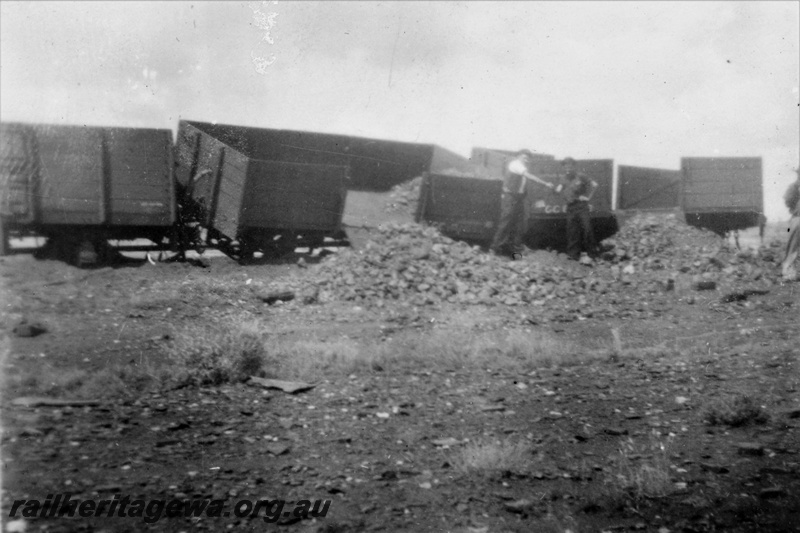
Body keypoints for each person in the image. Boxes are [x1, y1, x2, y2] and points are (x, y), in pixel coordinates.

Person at [491, 149, 554, 259]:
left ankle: (512, 250)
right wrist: (545, 184)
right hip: (510, 197)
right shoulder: (516, 165)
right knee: (506, 222)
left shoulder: (521, 167)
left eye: (528, 158)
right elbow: (529, 177)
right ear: (518, 156)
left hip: (518, 198)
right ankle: (496, 248)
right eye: (524, 157)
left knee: (518, 224)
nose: (526, 160)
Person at [555, 157, 598, 261]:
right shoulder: (563, 178)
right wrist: (556, 189)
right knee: (572, 231)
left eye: (570, 166)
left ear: (574, 166)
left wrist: (588, 197)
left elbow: (595, 185)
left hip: (582, 206)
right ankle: (573, 255)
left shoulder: (581, 176)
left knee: (587, 229)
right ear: (563, 167)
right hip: (571, 207)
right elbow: (559, 189)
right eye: (565, 166)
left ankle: (592, 255)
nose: (568, 168)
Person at [781, 168, 800, 282]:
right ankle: (788, 270)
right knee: (797, 225)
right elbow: (788, 200)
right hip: (798, 217)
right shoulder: (794, 188)